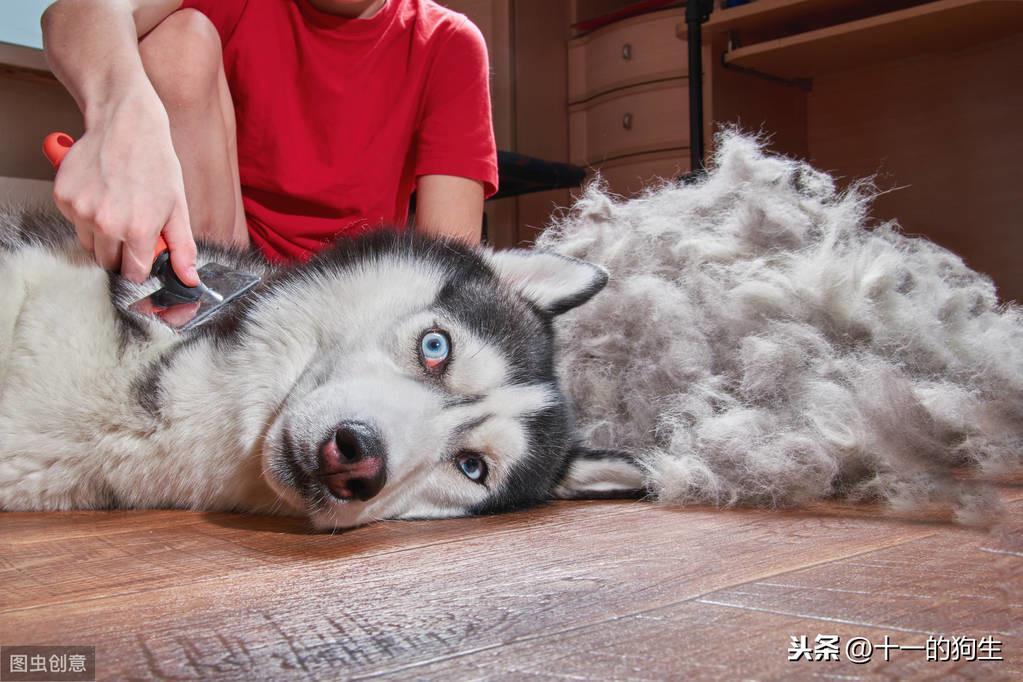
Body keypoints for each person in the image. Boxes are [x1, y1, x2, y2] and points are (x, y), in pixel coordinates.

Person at [41, 0, 498, 286]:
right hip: (231, 263)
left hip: (352, 294)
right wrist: (120, 118)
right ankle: (201, 300)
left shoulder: (447, 44)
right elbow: (79, 13)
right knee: (178, 43)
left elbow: (448, 266)